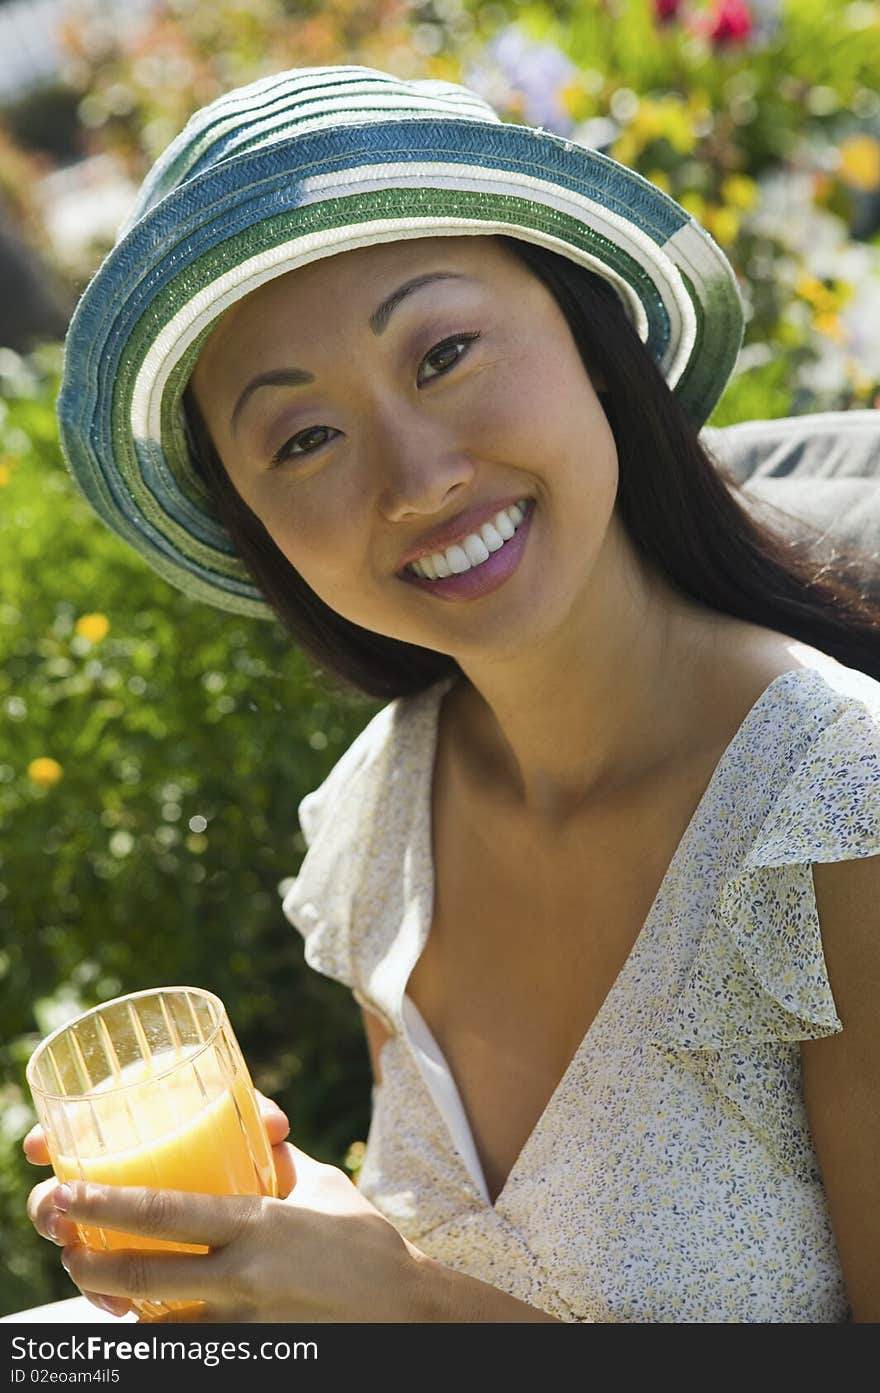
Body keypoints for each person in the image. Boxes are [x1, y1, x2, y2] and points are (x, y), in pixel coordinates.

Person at [24, 64, 880, 1323]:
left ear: (590, 341)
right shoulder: (382, 810)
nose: (418, 479)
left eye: (445, 353)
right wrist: (298, 1253)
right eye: (303, 438)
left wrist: (405, 1307)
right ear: (263, 528)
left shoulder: (836, 814)